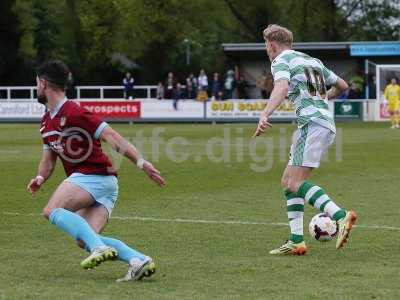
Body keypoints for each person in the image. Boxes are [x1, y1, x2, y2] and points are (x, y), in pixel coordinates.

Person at [27, 60, 166, 281]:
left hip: (93, 175)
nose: (36, 87)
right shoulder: (46, 122)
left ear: (43, 83)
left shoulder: (74, 111)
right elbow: (48, 160)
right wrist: (40, 177)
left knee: (51, 210)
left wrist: (141, 163)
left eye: (36, 83)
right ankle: (138, 260)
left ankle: (99, 250)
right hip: (105, 184)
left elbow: (111, 136)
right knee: (85, 239)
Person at [253, 24, 357, 255]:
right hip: (323, 123)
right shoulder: (313, 61)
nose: (267, 50)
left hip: (311, 125)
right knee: (288, 182)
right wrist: (322, 98)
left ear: (271, 44)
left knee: (295, 183)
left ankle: (341, 216)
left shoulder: (281, 60)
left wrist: (265, 113)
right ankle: (296, 241)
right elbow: (342, 86)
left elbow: (281, 86)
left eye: (266, 46)